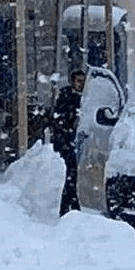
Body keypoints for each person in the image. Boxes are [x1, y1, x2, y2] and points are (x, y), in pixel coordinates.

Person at [52, 69, 86, 216]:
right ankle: (70, 208)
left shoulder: (85, 98)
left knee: (72, 176)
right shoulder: (67, 97)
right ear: (72, 81)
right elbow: (59, 121)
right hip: (66, 143)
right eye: (78, 81)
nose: (81, 84)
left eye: (83, 81)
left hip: (76, 143)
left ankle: (70, 208)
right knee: (69, 175)